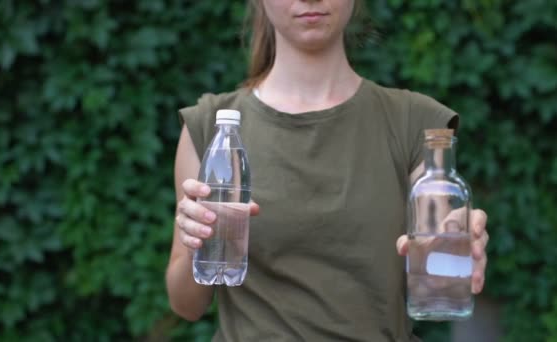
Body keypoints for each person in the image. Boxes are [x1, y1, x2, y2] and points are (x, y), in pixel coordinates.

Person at [166, 0, 489, 340]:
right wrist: (198, 242)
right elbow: (186, 304)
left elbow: (440, 267)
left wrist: (459, 249)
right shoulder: (213, 128)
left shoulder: (416, 124)